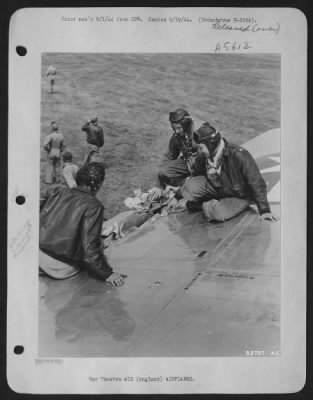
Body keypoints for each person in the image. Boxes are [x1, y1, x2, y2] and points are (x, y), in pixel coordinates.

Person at [168, 122, 278, 222]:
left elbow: (256, 181)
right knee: (190, 186)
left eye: (201, 148)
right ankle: (208, 203)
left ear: (211, 144)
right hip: (218, 187)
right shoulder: (204, 156)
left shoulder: (239, 155)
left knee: (217, 214)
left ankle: (201, 206)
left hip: (239, 195)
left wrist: (264, 210)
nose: (199, 151)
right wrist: (177, 197)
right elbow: (195, 176)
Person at [39, 162, 125, 286]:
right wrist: (108, 273)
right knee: (99, 244)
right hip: (58, 267)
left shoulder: (57, 191)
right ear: (96, 185)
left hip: (36, 256)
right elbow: (90, 249)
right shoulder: (93, 206)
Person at [149, 108, 198, 201]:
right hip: (188, 164)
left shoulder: (200, 133)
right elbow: (168, 157)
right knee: (164, 170)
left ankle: (189, 184)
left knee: (193, 189)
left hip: (205, 167)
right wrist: (159, 185)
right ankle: (185, 183)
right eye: (174, 128)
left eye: (179, 128)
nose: (176, 131)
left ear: (187, 125)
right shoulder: (177, 137)